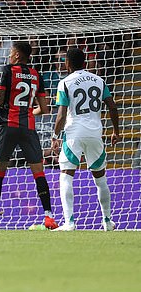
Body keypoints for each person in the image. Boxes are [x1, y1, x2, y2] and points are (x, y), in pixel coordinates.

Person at [0, 41, 58, 230]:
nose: (9, 55)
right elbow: (45, 108)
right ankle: (48, 216)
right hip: (28, 128)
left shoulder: (8, 70)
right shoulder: (36, 74)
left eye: (11, 52)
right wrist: (27, 112)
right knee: (39, 173)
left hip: (7, 125)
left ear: (17, 55)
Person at [50, 47, 119, 231]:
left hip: (74, 133)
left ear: (67, 63)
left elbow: (61, 114)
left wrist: (55, 136)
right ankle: (107, 221)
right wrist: (116, 131)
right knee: (100, 179)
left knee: (66, 175)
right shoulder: (99, 80)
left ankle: (69, 222)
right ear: (85, 63)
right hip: (96, 132)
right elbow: (112, 107)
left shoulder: (65, 82)